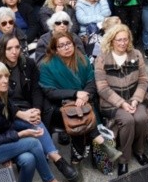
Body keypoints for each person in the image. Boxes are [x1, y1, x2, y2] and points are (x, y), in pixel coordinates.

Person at [0, 34, 82, 182]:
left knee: (36, 121)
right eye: (9, 48)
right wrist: (20, 114)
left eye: (17, 47)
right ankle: (57, 159)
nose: (14, 51)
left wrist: (37, 109)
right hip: (7, 113)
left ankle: (54, 163)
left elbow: (36, 89)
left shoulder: (28, 63)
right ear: (2, 50)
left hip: (28, 108)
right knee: (36, 125)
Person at [39, 33, 122, 165]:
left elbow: (91, 81)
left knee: (83, 112)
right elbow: (50, 92)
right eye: (61, 45)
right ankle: (97, 143)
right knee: (79, 116)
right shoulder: (47, 65)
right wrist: (75, 94)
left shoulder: (82, 59)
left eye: (68, 44)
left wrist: (85, 95)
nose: (66, 47)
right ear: (55, 50)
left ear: (73, 44)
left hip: (85, 101)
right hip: (59, 106)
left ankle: (78, 157)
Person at [94, 24, 148, 176]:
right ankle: (124, 159)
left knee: (141, 117)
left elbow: (143, 80)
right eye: (119, 40)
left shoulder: (136, 54)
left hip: (134, 98)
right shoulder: (102, 58)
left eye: (125, 39)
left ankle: (139, 151)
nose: (123, 43)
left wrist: (135, 100)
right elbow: (102, 88)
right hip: (111, 102)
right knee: (127, 120)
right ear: (111, 41)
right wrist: (122, 103)